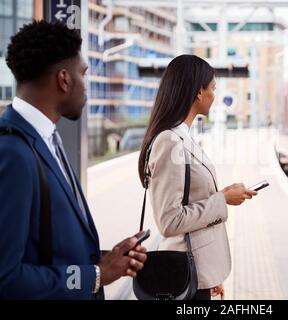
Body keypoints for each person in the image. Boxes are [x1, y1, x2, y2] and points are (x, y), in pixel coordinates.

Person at [0, 21, 147, 299]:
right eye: (84, 74)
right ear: (64, 79)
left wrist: (109, 261)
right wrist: (96, 275)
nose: (86, 86)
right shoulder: (12, 152)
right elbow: (6, 278)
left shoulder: (45, 138)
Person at [138, 54, 257, 300]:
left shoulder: (184, 137)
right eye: (212, 87)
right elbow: (169, 221)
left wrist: (209, 275)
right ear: (198, 92)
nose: (215, 95)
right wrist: (222, 199)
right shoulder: (170, 142)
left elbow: (191, 202)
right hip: (185, 271)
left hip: (199, 273)